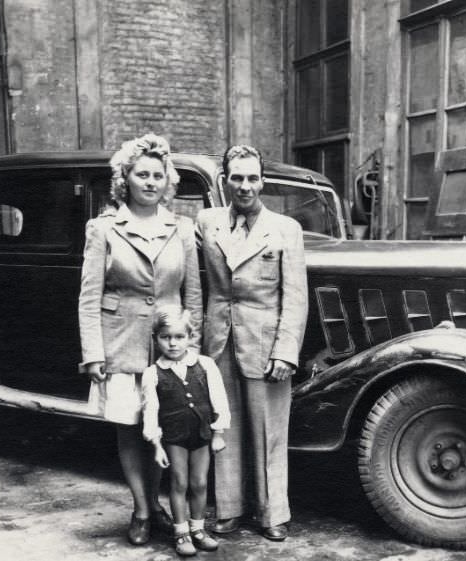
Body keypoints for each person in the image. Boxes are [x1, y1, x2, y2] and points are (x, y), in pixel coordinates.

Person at [78, 133, 202, 546]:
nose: (150, 181)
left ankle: (159, 503)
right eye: (141, 174)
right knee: (131, 430)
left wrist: (193, 348)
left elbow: (193, 295)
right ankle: (143, 509)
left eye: (158, 175)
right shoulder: (104, 228)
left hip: (169, 345)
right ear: (125, 179)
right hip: (122, 344)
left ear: (168, 181)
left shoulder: (181, 228)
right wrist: (94, 353)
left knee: (166, 430)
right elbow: (89, 296)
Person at [195, 144, 308, 541]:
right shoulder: (207, 222)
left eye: (252, 178)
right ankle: (228, 509)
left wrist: (285, 351)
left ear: (263, 181)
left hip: (265, 344)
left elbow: (295, 297)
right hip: (219, 340)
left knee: (269, 431)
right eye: (237, 178)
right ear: (225, 181)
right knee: (224, 427)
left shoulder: (285, 229)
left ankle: (272, 513)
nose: (245, 187)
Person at [141, 305, 230, 556]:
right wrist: (156, 445)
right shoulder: (153, 374)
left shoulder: (205, 365)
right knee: (179, 482)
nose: (172, 344)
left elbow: (219, 400)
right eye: (165, 337)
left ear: (190, 338)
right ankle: (181, 533)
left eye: (179, 337)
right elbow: (150, 410)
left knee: (200, 483)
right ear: (155, 339)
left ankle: (198, 529)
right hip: (174, 437)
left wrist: (219, 433)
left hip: (201, 434)